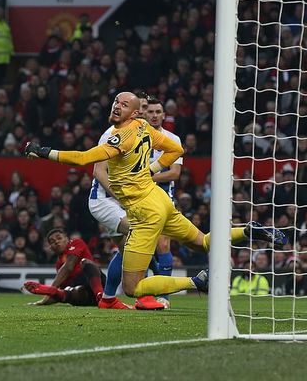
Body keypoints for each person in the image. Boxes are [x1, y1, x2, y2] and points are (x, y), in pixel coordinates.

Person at [24, 91, 287, 299]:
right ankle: (247, 230)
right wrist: (153, 169)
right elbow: (177, 149)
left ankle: (196, 281)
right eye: (116, 101)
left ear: (134, 112)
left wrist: (43, 151)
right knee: (204, 242)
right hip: (160, 200)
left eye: (124, 104)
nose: (117, 106)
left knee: (133, 287)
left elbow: (83, 159)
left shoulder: (119, 138)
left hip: (145, 212)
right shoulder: (144, 127)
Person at [88, 92, 161, 310]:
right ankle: (145, 295)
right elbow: (98, 171)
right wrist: (124, 196)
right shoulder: (112, 134)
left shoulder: (140, 134)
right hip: (104, 200)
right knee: (142, 235)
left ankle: (108, 298)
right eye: (144, 108)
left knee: (125, 251)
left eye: (149, 108)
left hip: (120, 203)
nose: (147, 112)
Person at [145, 97, 183, 308]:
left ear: (163, 114)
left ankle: (164, 296)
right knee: (139, 247)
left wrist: (147, 177)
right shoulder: (134, 137)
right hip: (137, 197)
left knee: (163, 244)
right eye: (150, 111)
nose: (154, 115)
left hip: (162, 198)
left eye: (158, 111)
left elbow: (175, 173)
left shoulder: (173, 139)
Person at [23, 227, 111, 307]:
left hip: (99, 285)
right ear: (51, 248)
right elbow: (60, 293)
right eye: (52, 242)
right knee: (71, 290)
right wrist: (43, 302)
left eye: (59, 238)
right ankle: (99, 300)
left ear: (66, 238)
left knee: (86, 263)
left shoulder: (76, 242)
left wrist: (49, 290)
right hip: (85, 297)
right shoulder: (58, 265)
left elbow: (68, 267)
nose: (56, 242)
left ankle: (100, 295)